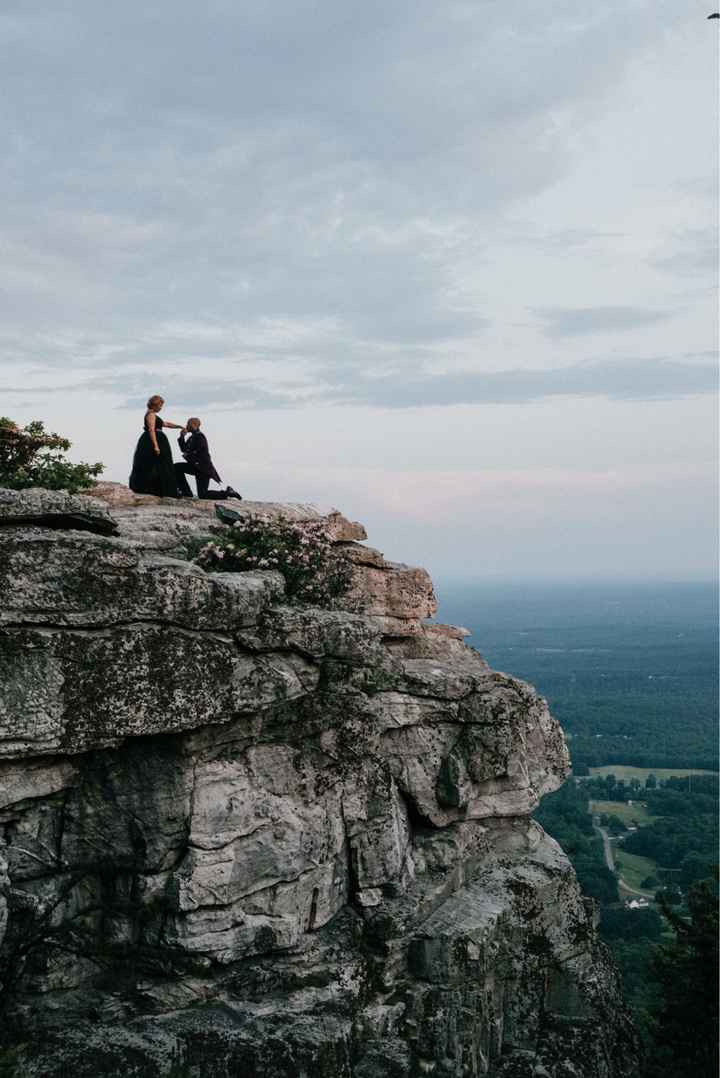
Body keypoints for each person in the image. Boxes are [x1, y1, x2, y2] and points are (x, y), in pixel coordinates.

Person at [129, 395, 185, 497]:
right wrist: (156, 445)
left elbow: (165, 424)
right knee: (158, 464)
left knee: (161, 465)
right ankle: (158, 489)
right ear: (155, 404)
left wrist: (179, 426)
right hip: (153, 441)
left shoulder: (154, 414)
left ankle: (160, 488)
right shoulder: (151, 414)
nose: (161, 408)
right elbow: (151, 430)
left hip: (158, 439)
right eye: (160, 405)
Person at [175, 418, 241, 500]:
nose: (186, 426)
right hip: (196, 467)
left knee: (203, 495)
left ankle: (228, 493)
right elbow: (184, 449)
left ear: (193, 425)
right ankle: (186, 492)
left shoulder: (200, 436)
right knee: (176, 467)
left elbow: (200, 450)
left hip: (203, 469)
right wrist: (182, 437)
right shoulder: (192, 437)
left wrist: (188, 455)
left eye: (188, 424)